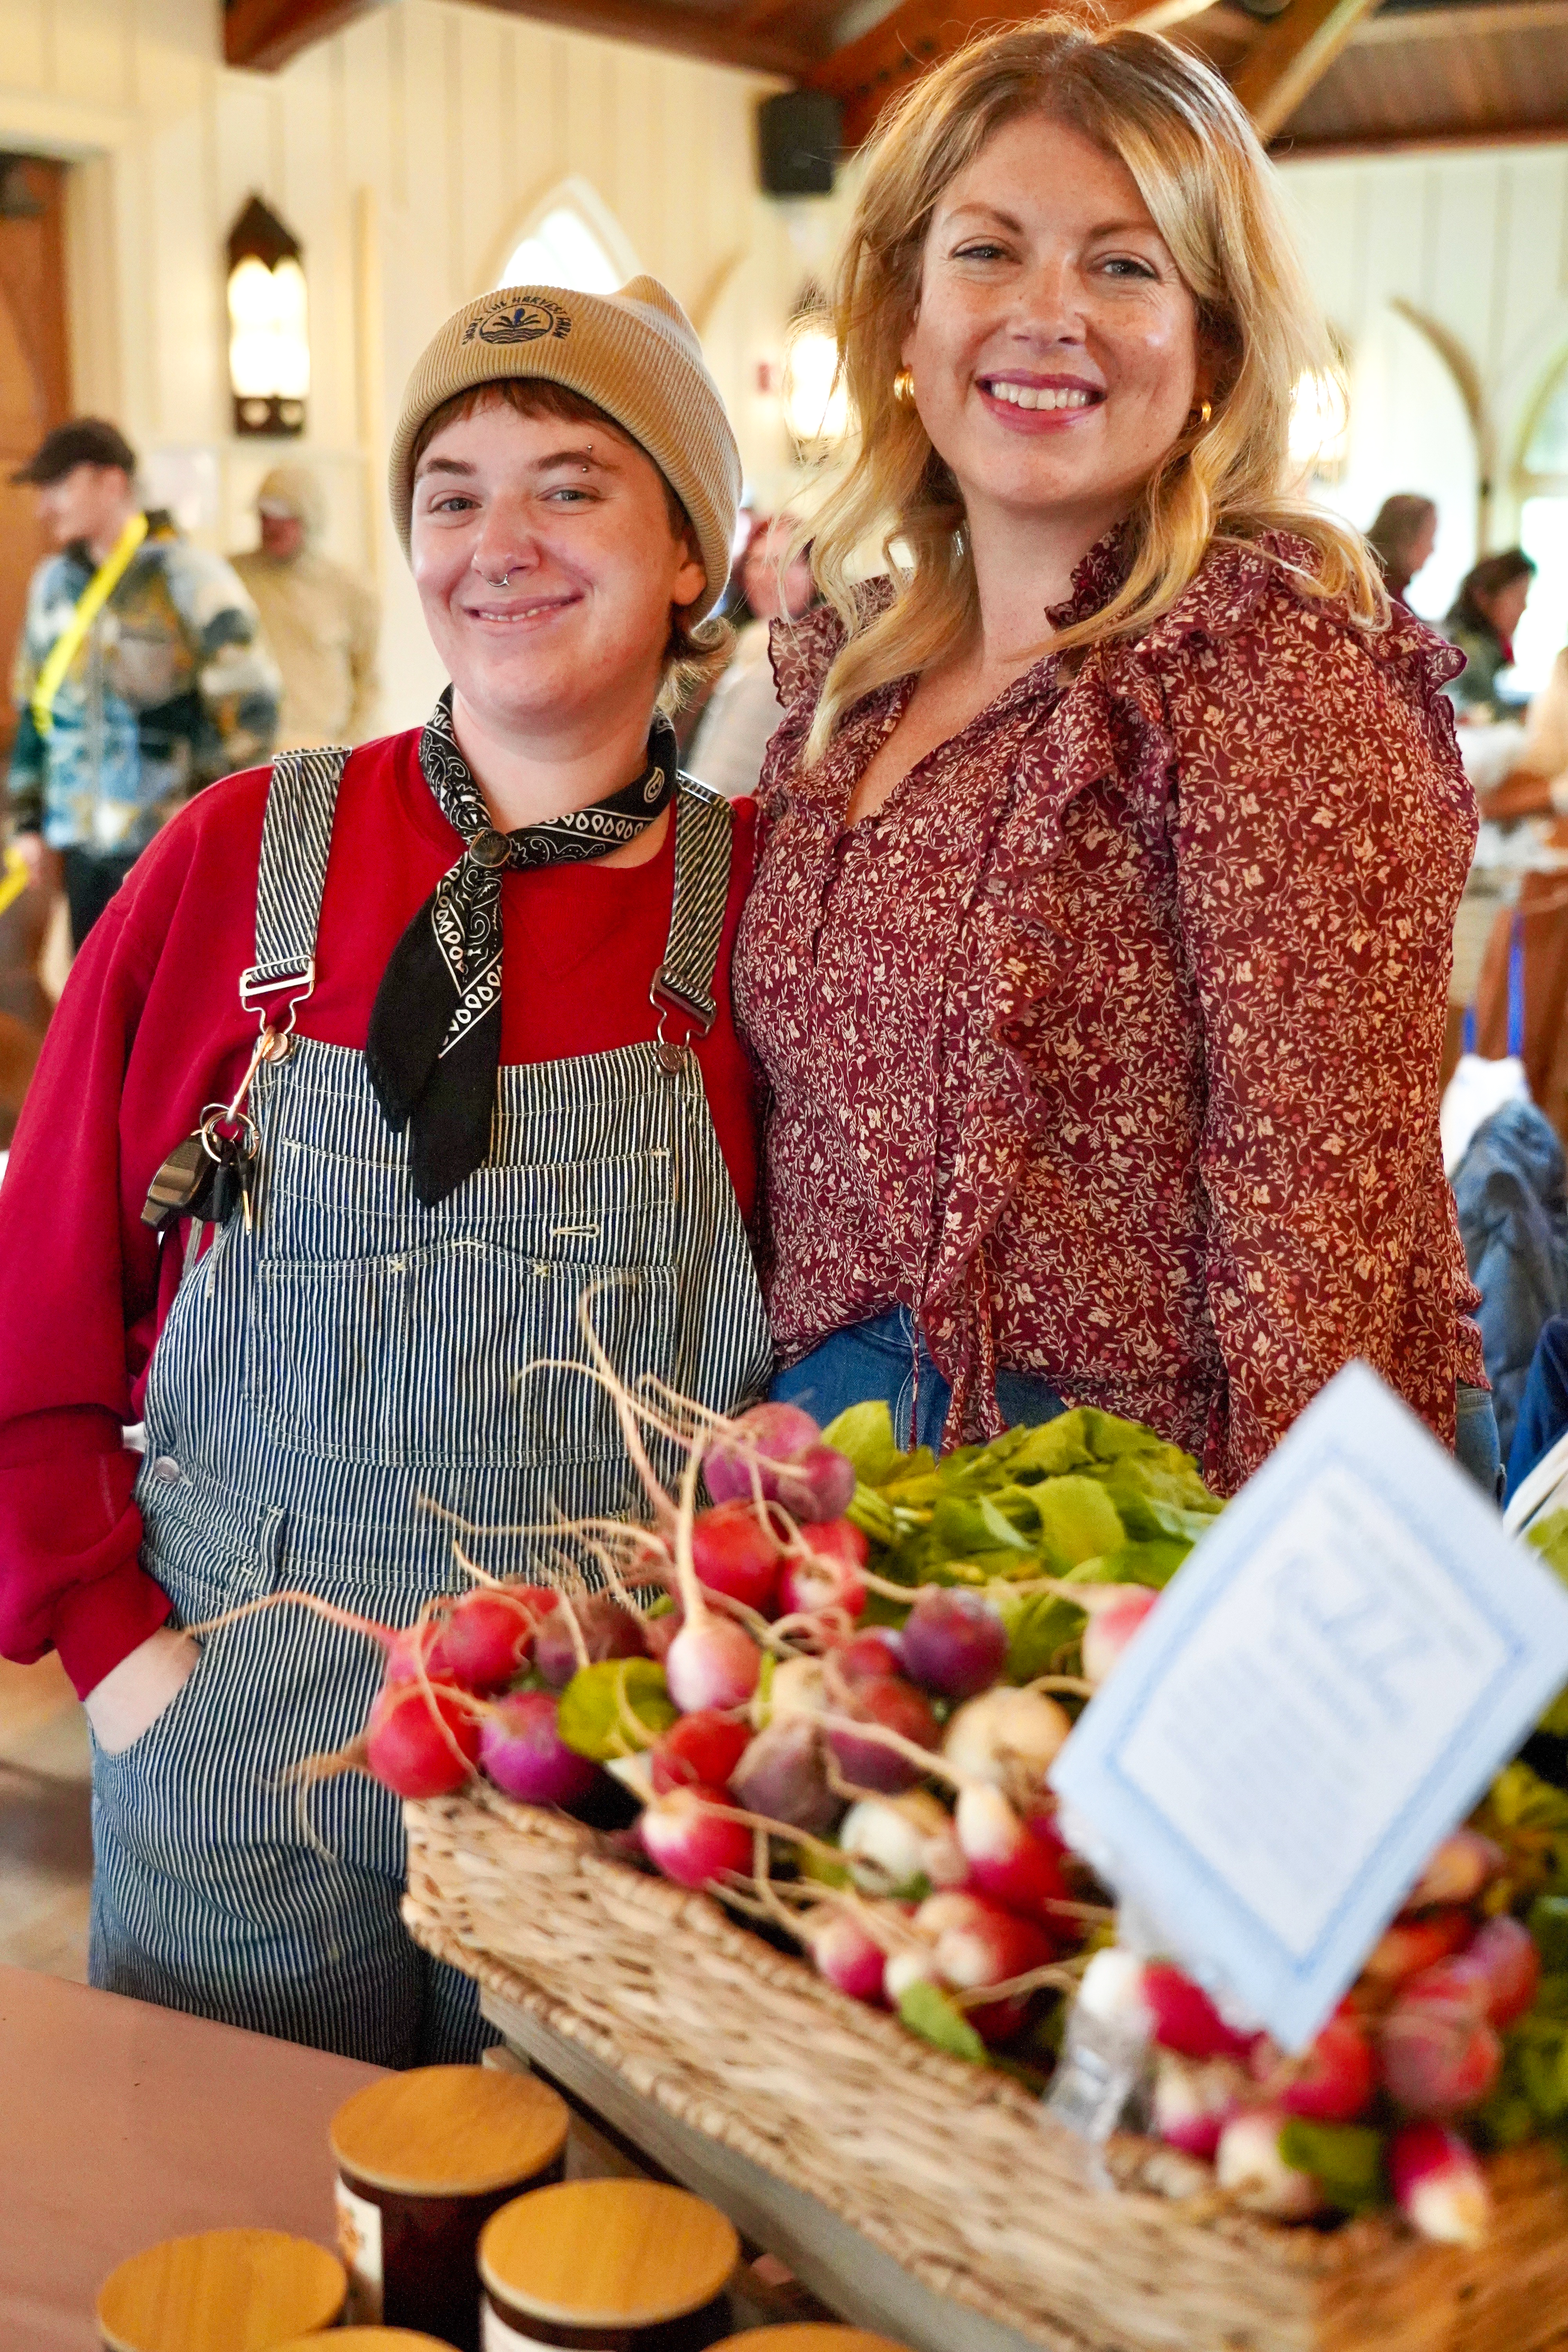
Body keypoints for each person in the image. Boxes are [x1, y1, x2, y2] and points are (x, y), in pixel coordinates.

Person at [0, 278, 769, 2064]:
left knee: (585, 2278)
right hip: (234, 1749)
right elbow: (33, 1316)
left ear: (687, 554)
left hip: (621, 1776)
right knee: (238, 2285)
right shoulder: (229, 859)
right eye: (452, 491)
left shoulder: (764, 913)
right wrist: (133, 1676)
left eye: (570, 484)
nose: (497, 541)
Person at [734, 16, 1495, 1499]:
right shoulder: (857, 681)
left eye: (1122, 263)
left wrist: (1280, 1616)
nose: (1045, 313)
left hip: (1129, 1511)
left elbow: (1317, 1235)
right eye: (986, 252)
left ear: (1210, 344)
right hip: (828, 1483)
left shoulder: (1265, 673)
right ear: (900, 315)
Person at [6, 418, 279, 947]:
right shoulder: (52, 588)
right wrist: (26, 825)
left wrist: (202, 812)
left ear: (112, 483)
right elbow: (35, 714)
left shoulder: (190, 577)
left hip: (168, 852)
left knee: (168, 1012)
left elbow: (254, 709)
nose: (45, 506)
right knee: (98, 1007)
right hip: (82, 853)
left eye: (59, 486)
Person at [231, 466, 381, 750]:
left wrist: (351, 750)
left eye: (284, 517)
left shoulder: (352, 591)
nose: (272, 526)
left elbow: (368, 682)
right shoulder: (231, 579)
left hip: (326, 755)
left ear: (309, 517)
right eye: (266, 516)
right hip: (250, 756)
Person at [688, 515, 817, 800]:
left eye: (784, 563)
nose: (769, 576)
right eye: (758, 562)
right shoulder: (722, 644)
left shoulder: (816, 661)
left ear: (816, 574)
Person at [1444, 549, 1537, 717]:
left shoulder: (1488, 645)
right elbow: (1480, 713)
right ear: (1483, 597)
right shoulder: (1468, 649)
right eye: (1518, 596)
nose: (1524, 607)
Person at [1366, 493, 1437, 610]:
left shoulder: (1387, 591)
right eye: (1430, 537)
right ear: (1406, 539)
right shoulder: (1378, 599)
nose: (1433, 550)